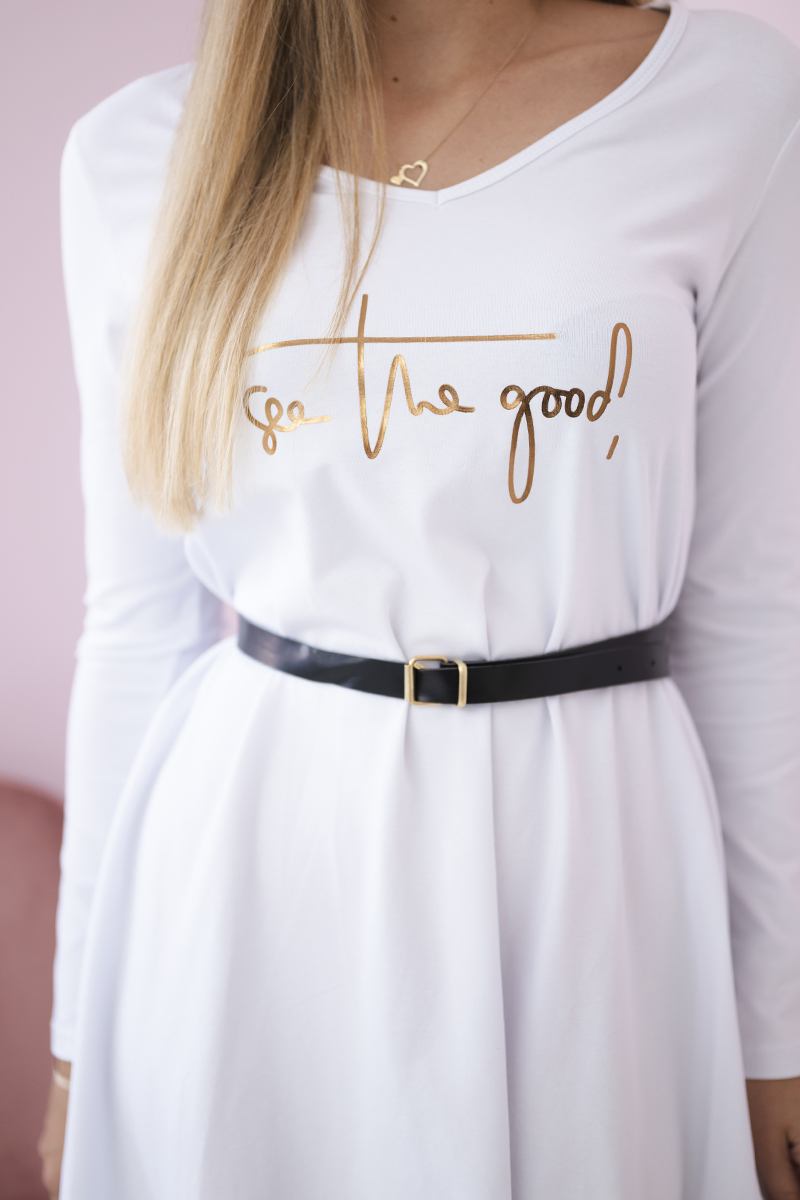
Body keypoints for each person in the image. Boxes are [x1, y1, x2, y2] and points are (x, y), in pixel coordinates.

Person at [36, 0, 800, 1195]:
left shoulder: (733, 103)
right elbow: (134, 629)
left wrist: (775, 1037)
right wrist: (76, 1042)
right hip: (250, 874)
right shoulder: (132, 157)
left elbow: (751, 613)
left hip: (592, 861)